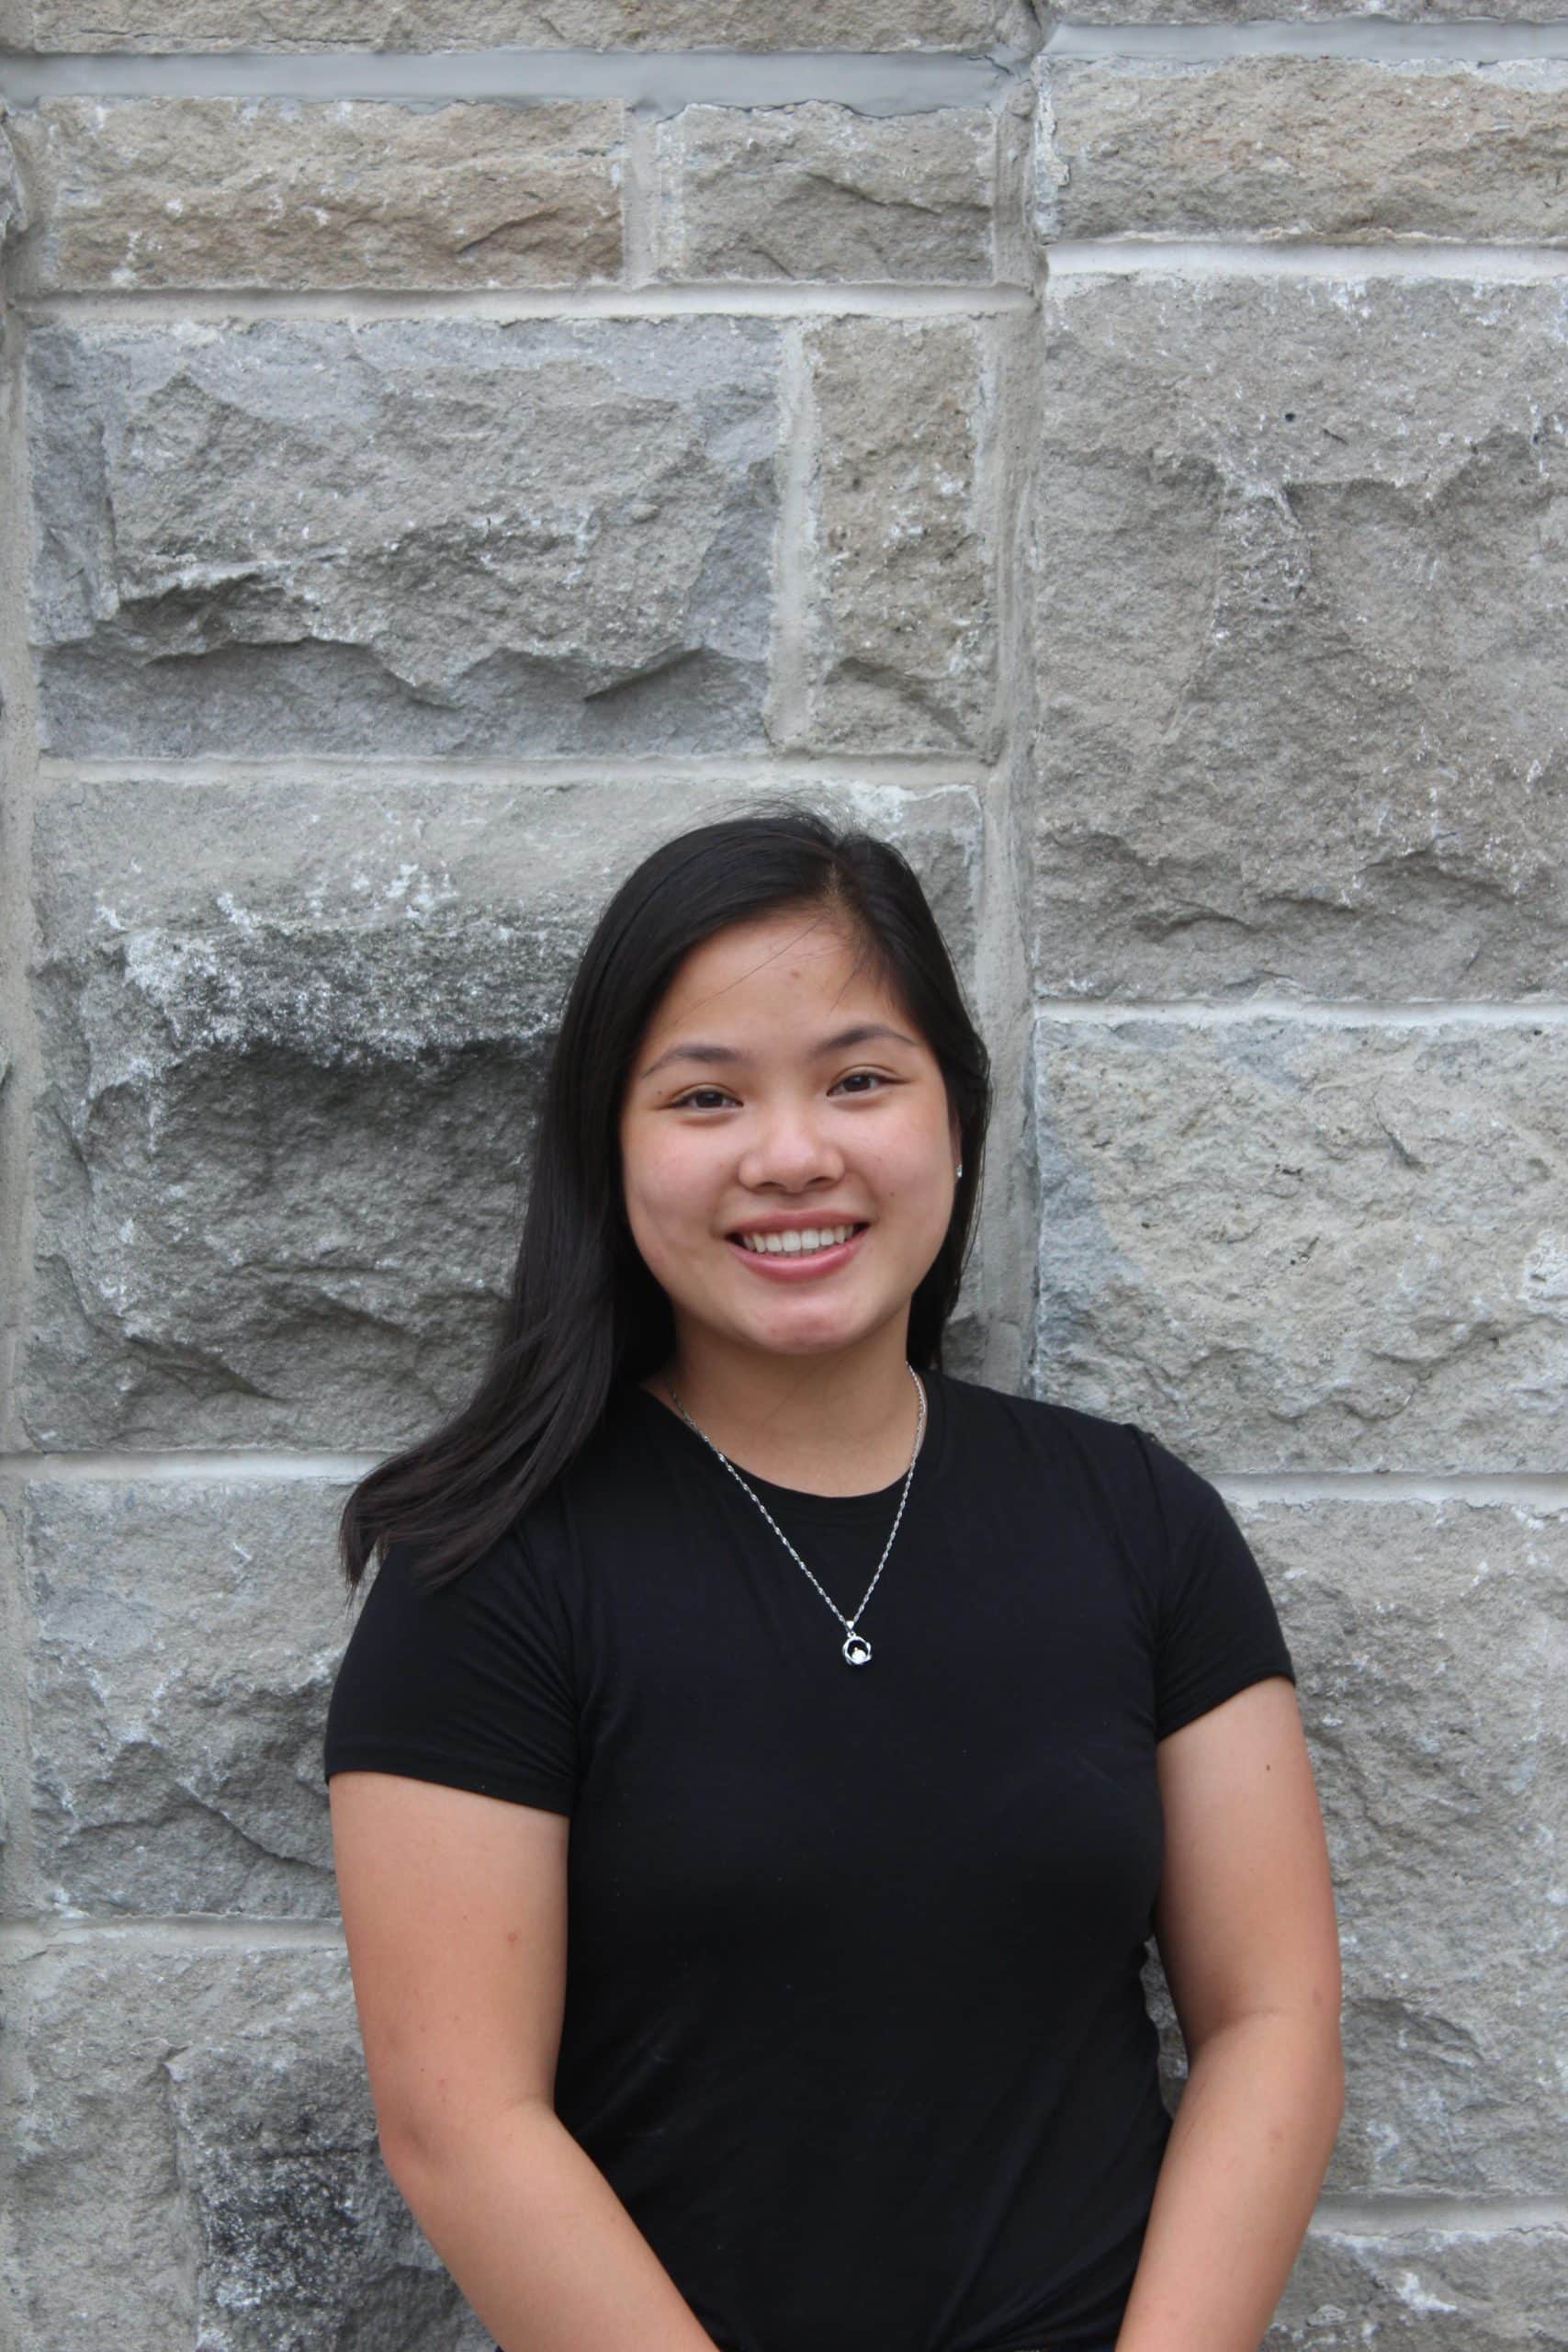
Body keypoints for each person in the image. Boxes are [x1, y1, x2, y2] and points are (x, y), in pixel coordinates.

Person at [322, 797, 1344, 2352]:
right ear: (611, 1148)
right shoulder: (491, 1574)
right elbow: (461, 2124)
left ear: (955, 1118)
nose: (792, 1156)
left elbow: (1273, 2019)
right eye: (706, 1097)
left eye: (861, 1079)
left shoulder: (1137, 1519)